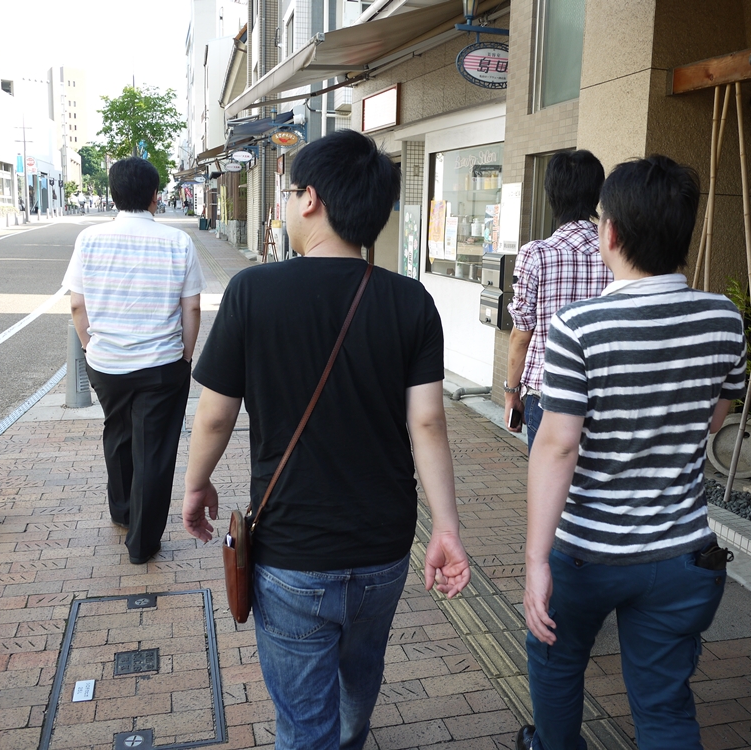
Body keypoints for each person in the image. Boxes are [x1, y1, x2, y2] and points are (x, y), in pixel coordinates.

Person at [182, 129, 470, 750]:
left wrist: (196, 483)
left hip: (293, 551)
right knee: (359, 677)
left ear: (309, 198)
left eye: (288, 194)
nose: (286, 206)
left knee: (301, 722)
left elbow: (214, 418)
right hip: (383, 547)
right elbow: (427, 423)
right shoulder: (411, 301)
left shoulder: (253, 292)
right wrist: (446, 528)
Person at [518, 155, 747, 750]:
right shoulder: (726, 319)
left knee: (556, 662)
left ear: (611, 232)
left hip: (586, 553)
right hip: (682, 553)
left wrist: (536, 560)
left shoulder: (579, 326)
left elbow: (558, 445)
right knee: (664, 704)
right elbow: (712, 420)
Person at [63, 156, 204, 565]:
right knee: (154, 450)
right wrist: (186, 354)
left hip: (106, 363)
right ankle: (142, 544)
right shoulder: (178, 241)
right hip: (162, 363)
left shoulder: (89, 239)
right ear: (155, 196)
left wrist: (89, 347)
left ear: (113, 195)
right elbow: (192, 308)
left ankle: (122, 511)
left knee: (118, 431)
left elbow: (77, 304)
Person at [505, 150, 612, 451]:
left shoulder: (535, 254)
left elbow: (521, 335)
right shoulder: (617, 253)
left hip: (547, 393)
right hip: (604, 394)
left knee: (548, 480)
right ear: (598, 194)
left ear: (551, 194)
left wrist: (511, 392)